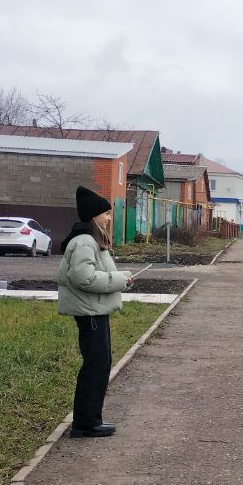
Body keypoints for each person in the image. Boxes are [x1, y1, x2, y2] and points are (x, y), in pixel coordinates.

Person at [56, 186, 135, 438]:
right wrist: (118, 279)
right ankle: (85, 422)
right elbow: (84, 278)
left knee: (100, 364)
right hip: (89, 312)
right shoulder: (84, 242)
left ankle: (89, 419)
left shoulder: (90, 240)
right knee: (96, 365)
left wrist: (119, 278)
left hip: (96, 310)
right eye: (106, 214)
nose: (109, 218)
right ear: (94, 215)